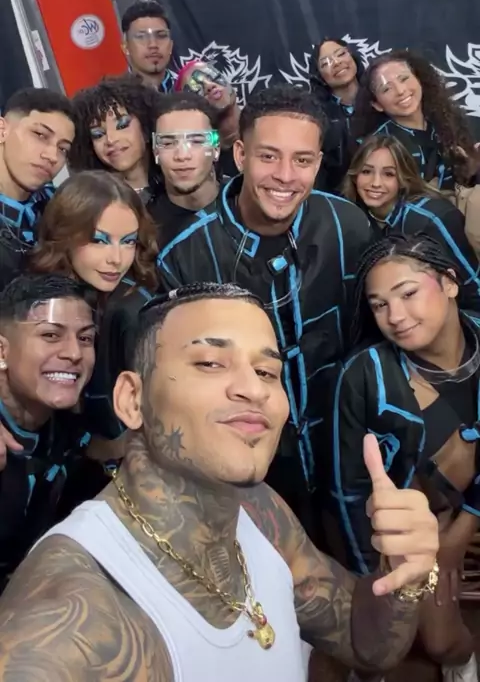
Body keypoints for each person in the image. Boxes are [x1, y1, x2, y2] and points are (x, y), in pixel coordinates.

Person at [0, 283, 439, 681]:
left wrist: (402, 573)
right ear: (133, 400)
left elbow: (365, 644)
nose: (254, 389)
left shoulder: (260, 510)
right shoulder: (63, 621)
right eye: (210, 363)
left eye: (267, 372)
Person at [157, 85, 373, 539]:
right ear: (240, 154)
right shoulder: (184, 256)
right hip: (246, 472)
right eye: (269, 156)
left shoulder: (348, 225)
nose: (285, 176)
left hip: (347, 452)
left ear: (318, 162)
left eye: (302, 160)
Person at [330, 235, 480, 682]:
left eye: (408, 293)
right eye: (379, 305)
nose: (395, 316)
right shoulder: (362, 375)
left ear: (449, 283)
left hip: (465, 518)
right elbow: (348, 490)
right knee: (439, 642)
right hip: (413, 533)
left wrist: (461, 533)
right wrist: (376, 578)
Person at [30, 171, 158, 415]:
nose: (117, 259)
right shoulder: (36, 298)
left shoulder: (133, 312)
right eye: (99, 241)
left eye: (128, 241)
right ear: (64, 235)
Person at [0, 273, 96, 593]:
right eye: (51, 335)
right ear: (2, 351)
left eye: (85, 338)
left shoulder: (72, 433)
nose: (74, 353)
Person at [342, 134, 480, 310]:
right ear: (354, 175)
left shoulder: (432, 217)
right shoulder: (351, 217)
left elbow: (473, 285)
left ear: (402, 179)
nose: (375, 183)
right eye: (366, 172)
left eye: (388, 174)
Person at [353, 50, 479, 191]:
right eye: (387, 89)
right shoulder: (380, 146)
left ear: (419, 79)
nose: (400, 91)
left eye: (404, 79)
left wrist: (472, 165)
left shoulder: (444, 120)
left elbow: (465, 177)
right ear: (377, 104)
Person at [0, 87, 75, 291]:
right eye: (40, 135)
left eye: (63, 149)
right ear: (2, 130)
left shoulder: (60, 207)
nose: (52, 156)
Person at [69, 74, 164, 215]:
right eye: (98, 134)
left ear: (146, 125)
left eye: (122, 125)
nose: (111, 139)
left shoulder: (176, 183)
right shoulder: (90, 205)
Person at [151, 92, 221, 243]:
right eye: (168, 143)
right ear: (156, 152)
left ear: (216, 148)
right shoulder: (145, 227)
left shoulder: (243, 205)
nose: (182, 156)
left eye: (196, 141)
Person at [309, 38, 364, 192]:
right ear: (320, 76)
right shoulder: (316, 116)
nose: (337, 63)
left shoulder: (380, 99)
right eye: (325, 63)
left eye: (341, 54)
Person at [175, 60, 241, 177]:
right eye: (196, 88)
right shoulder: (205, 164)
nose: (209, 86)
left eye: (212, 76)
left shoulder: (266, 124)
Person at [121, 0, 175, 93]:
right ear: (126, 47)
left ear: (171, 45)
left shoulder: (190, 91)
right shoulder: (113, 98)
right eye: (141, 37)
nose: (153, 44)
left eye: (161, 36)